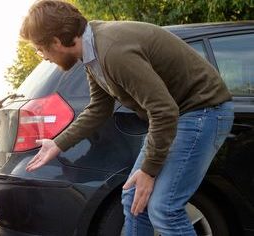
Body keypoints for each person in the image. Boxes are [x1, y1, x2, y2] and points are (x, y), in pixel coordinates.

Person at [21, 1, 234, 235]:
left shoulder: (113, 51)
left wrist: (149, 170)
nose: (43, 57)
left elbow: (163, 110)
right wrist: (58, 143)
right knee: (133, 198)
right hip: (179, 116)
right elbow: (99, 108)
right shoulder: (93, 55)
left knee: (164, 209)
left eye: (40, 49)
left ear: (56, 41)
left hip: (202, 112)